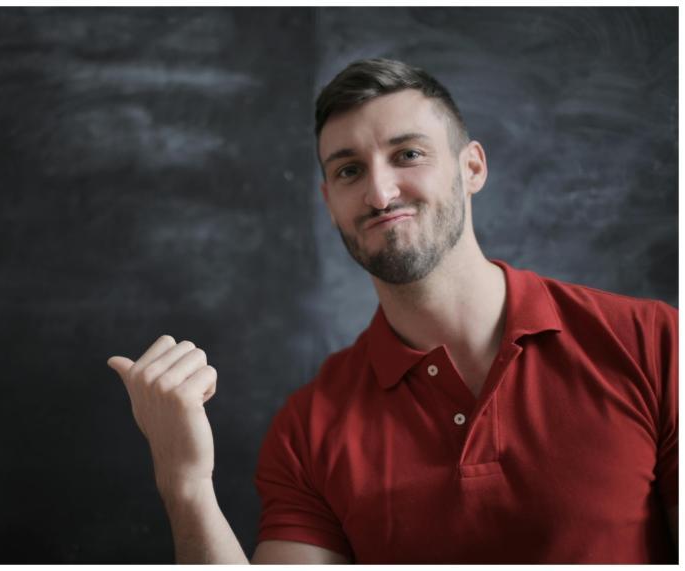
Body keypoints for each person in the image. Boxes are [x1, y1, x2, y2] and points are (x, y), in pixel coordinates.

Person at [107, 58, 678, 563]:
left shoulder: (653, 342)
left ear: (472, 168)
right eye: (349, 170)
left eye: (407, 154)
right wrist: (184, 482)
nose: (379, 194)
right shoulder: (308, 431)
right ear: (329, 202)